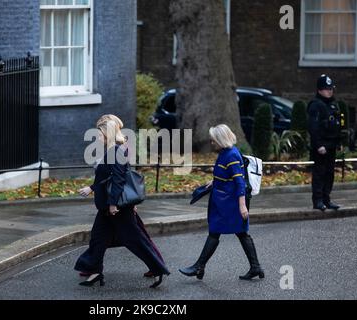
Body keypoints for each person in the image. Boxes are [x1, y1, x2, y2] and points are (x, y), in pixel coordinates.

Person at [75, 116, 170, 288]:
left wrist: (113, 204)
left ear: (107, 134)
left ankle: (158, 269)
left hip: (117, 207)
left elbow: (118, 180)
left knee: (134, 239)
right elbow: (105, 178)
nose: (97, 137)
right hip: (106, 207)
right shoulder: (111, 150)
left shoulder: (116, 151)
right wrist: (93, 188)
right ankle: (95, 272)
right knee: (97, 239)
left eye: (99, 134)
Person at [179, 124, 264, 281]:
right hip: (224, 201)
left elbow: (239, 182)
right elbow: (228, 176)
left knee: (217, 232)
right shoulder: (225, 153)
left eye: (213, 141)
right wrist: (214, 182)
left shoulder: (230, 155)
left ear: (220, 140)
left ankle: (199, 267)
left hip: (229, 203)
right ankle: (255, 267)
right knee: (240, 233)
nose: (211, 143)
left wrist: (242, 205)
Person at [307, 75, 341, 211]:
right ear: (320, 90)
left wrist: (339, 142)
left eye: (331, 89)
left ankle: (327, 199)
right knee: (320, 173)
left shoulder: (332, 104)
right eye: (326, 89)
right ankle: (318, 200)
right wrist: (319, 145)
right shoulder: (316, 105)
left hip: (331, 146)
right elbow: (313, 128)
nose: (329, 91)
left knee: (329, 174)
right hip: (321, 147)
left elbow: (337, 126)